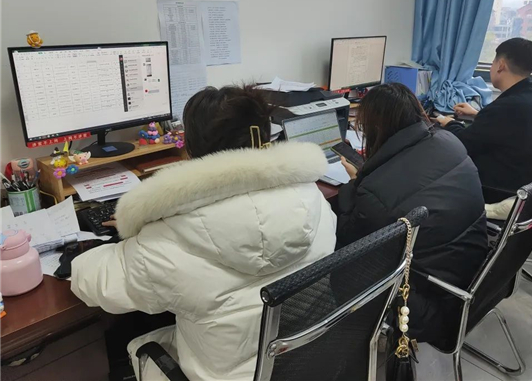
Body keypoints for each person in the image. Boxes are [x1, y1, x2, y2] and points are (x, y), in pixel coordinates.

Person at [71, 85, 337, 381]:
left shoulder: (167, 237)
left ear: (191, 150)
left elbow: (93, 285)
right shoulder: (315, 200)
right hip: (310, 358)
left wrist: (87, 250)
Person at [336, 83, 488, 344]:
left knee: (342, 270)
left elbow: (348, 241)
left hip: (429, 301)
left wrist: (355, 183)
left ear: (375, 129)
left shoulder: (375, 190)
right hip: (473, 275)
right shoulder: (449, 140)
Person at [436, 38, 532, 202]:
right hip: (521, 180)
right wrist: (478, 114)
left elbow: (462, 143)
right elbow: (510, 128)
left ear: (501, 65)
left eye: (492, 63)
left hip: (495, 189)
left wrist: (449, 122)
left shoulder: (506, 107)